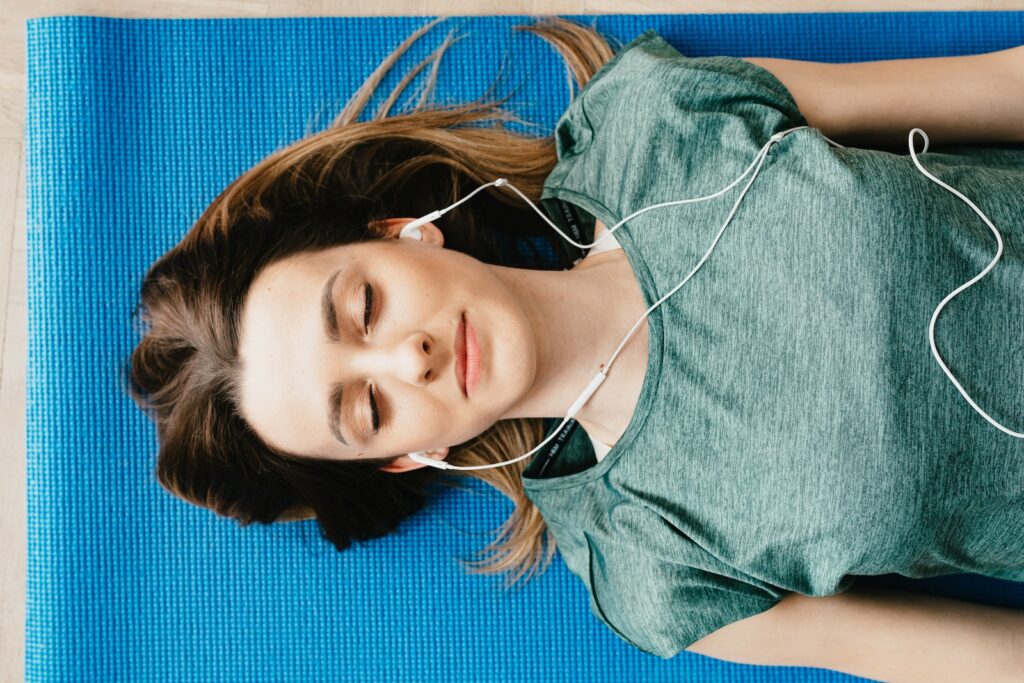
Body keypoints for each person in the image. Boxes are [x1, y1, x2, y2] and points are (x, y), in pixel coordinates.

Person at [128, 16, 1024, 677]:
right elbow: (980, 656)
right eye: (368, 407)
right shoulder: (647, 563)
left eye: (363, 306)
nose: (409, 358)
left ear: (405, 232)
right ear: (410, 455)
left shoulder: (649, 124)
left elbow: (996, 86)